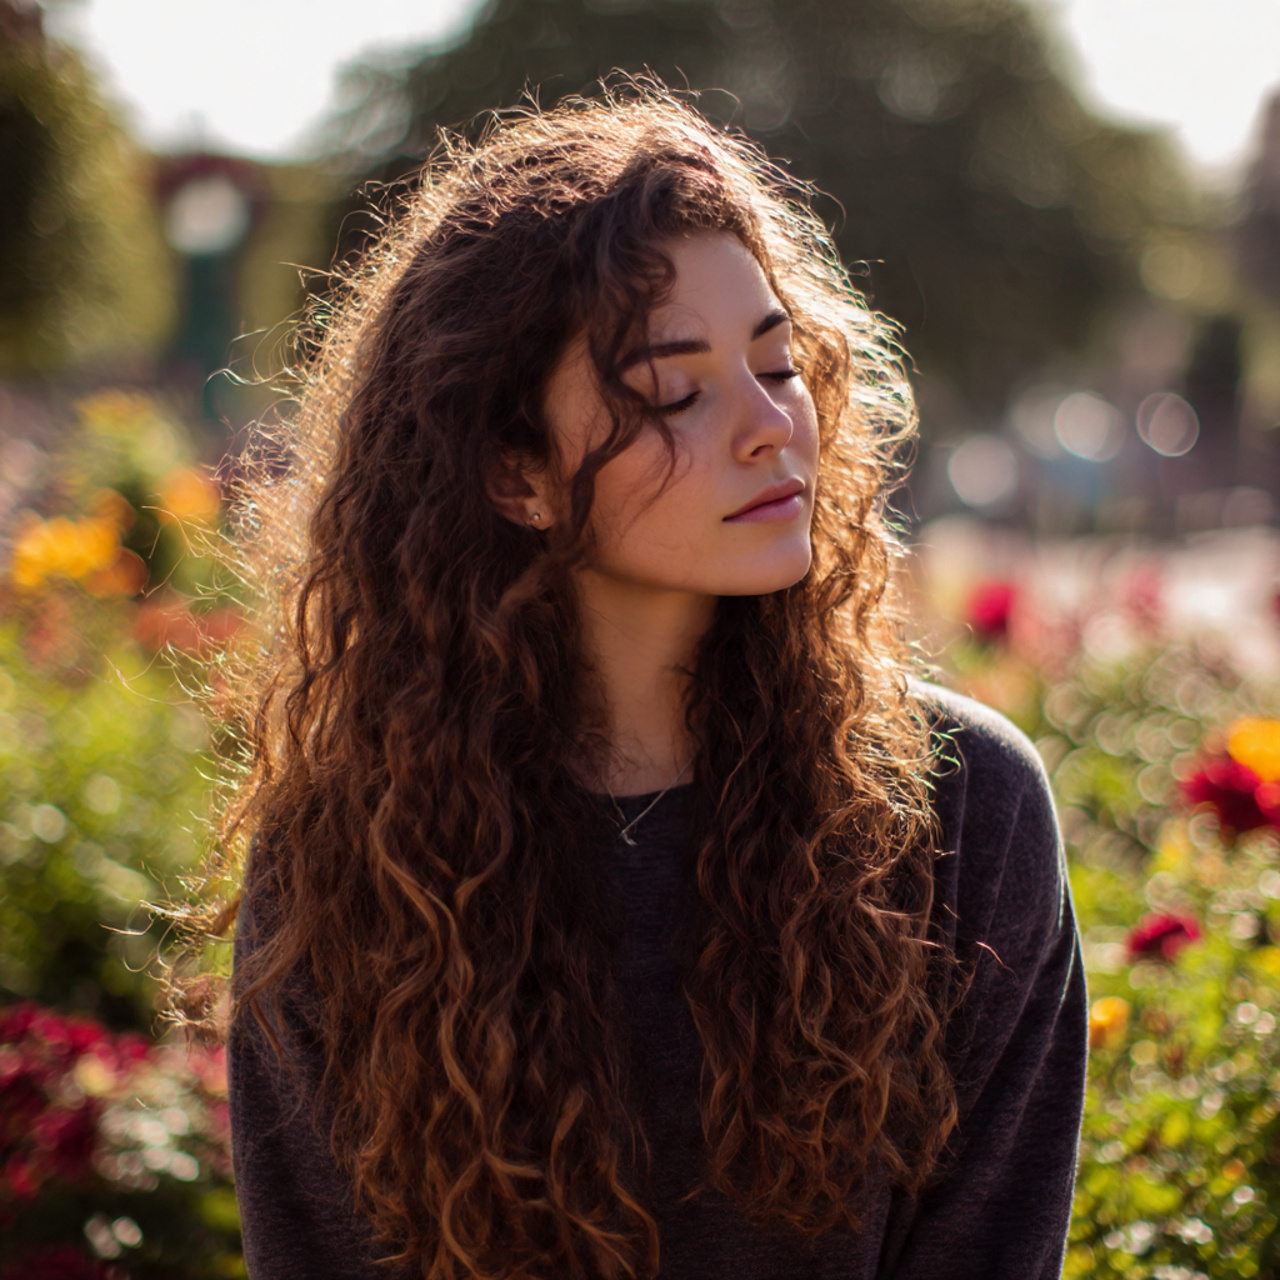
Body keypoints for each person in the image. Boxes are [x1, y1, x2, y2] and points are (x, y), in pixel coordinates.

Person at [220, 81, 1087, 1280]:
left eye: (777, 363)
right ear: (514, 472)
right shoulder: (349, 855)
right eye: (674, 390)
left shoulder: (960, 810)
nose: (767, 426)